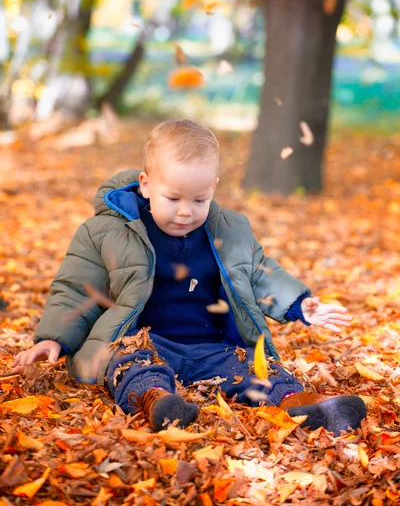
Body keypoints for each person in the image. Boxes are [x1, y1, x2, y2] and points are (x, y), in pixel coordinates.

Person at [12, 120, 367, 436]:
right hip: (141, 340)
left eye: (199, 199)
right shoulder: (107, 232)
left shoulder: (229, 229)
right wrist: (55, 339)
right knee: (126, 361)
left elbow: (259, 272)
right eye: (173, 198)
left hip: (210, 348)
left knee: (254, 366)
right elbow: (77, 288)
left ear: (213, 187)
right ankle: (157, 401)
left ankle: (302, 405)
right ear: (146, 185)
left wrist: (300, 304)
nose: (185, 211)